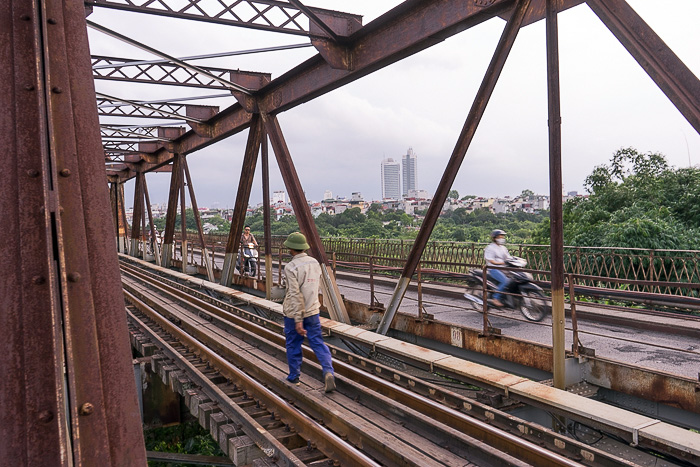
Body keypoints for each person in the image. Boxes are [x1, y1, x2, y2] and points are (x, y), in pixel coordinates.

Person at [282, 232, 336, 393]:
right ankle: (328, 371)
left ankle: (294, 377)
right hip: (313, 311)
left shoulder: (291, 267)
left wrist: (298, 320)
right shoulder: (314, 263)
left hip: (294, 314)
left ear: (291, 249)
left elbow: (295, 294)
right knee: (318, 342)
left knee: (293, 343)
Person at [484, 229, 512, 307]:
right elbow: (491, 260)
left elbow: (508, 257)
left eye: (502, 237)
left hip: (503, 268)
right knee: (505, 281)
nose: (502, 238)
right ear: (495, 238)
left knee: (514, 279)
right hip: (493, 268)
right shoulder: (490, 248)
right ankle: (496, 298)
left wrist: (517, 260)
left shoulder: (503, 248)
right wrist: (502, 263)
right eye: (500, 237)